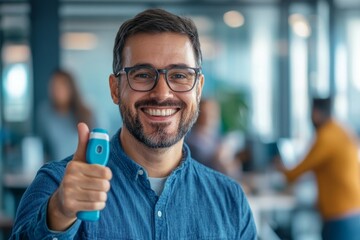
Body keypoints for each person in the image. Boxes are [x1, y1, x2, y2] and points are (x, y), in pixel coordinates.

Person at [10, 9, 257, 239]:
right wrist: (59, 214)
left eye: (180, 75)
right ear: (115, 89)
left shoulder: (230, 200)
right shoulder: (57, 187)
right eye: (142, 75)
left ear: (199, 89)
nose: (162, 93)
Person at [278, 97, 360, 240]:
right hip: (353, 211)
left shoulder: (326, 137)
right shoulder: (341, 130)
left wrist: (280, 168)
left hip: (340, 215)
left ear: (316, 113)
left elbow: (298, 171)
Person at [37, 69, 95, 161]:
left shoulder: (87, 112)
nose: (57, 90)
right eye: (53, 86)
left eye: (61, 86)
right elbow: (42, 147)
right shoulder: (45, 112)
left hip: (83, 167)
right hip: (57, 169)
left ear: (71, 88)